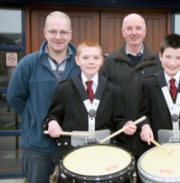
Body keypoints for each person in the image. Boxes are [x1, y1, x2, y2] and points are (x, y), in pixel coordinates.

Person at [43, 39, 137, 181]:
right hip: (71, 154)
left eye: (95, 58)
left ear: (102, 61)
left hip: (105, 154)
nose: (91, 62)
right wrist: (52, 123)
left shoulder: (114, 91)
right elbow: (52, 116)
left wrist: (125, 127)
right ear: (77, 60)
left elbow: (119, 121)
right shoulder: (64, 89)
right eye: (85, 58)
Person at [7, 11, 81, 183]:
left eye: (63, 32)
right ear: (45, 32)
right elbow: (15, 97)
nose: (58, 36)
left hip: (72, 144)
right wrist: (34, 118)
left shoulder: (81, 63)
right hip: (37, 146)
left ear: (70, 34)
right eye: (53, 31)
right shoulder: (28, 64)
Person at [101, 13, 161, 164]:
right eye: (129, 28)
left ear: (145, 32)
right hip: (119, 138)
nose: (134, 32)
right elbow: (104, 101)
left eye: (138, 28)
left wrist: (147, 125)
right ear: (123, 32)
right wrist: (120, 125)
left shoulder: (158, 62)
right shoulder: (110, 62)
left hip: (150, 139)